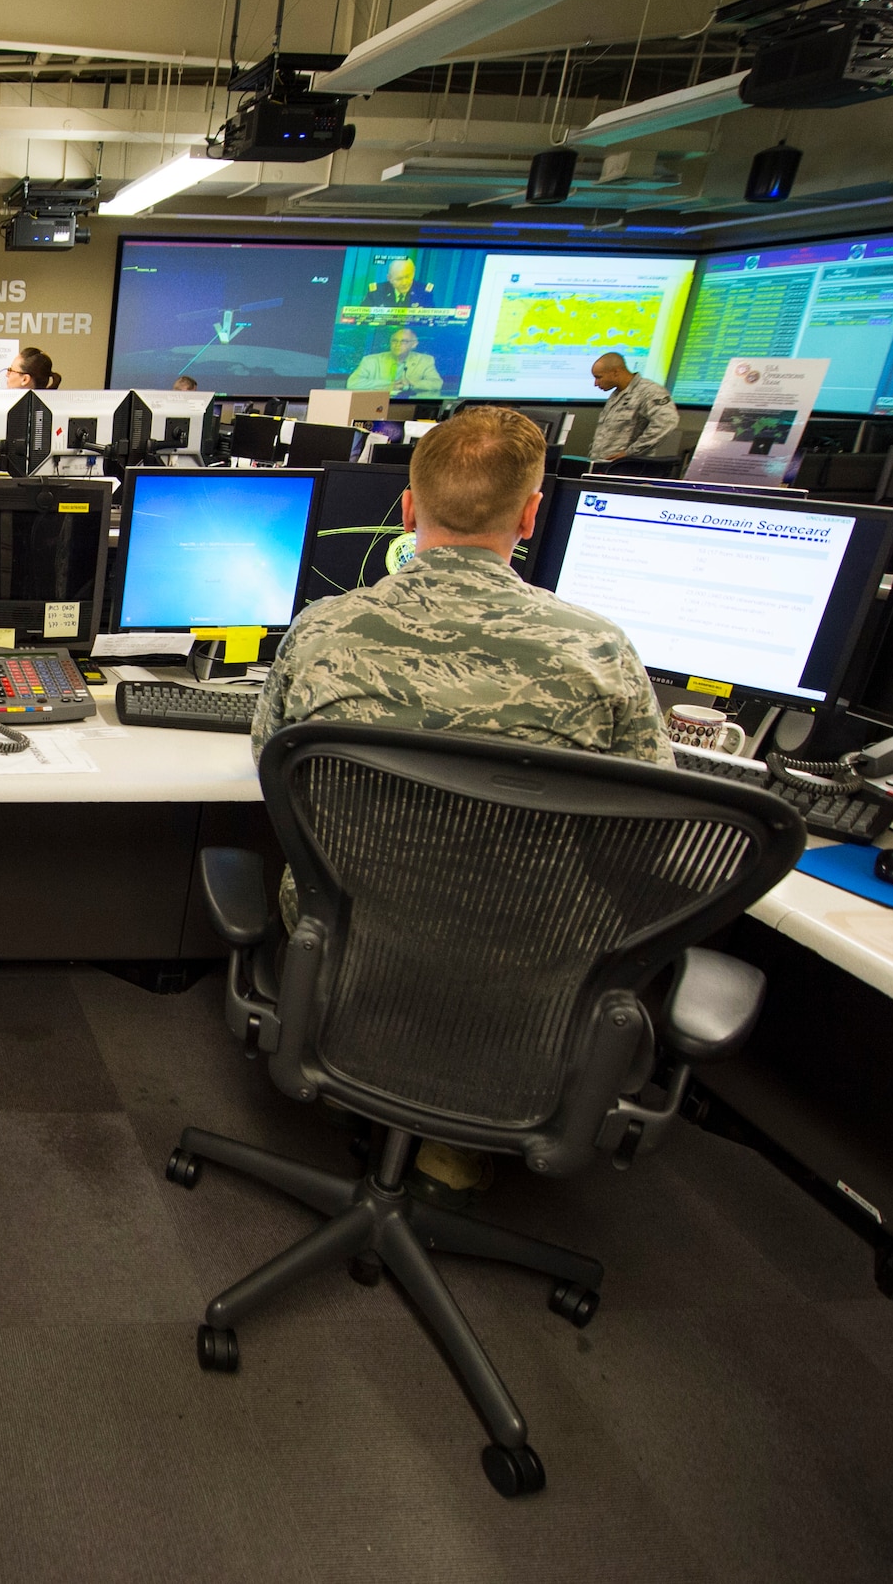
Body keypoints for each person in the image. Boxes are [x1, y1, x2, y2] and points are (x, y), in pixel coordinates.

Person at [252, 405, 672, 1204]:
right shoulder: (600, 652)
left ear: (408, 510)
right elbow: (651, 822)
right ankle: (455, 1129)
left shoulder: (322, 631)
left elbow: (274, 772)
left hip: (352, 945)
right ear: (532, 514)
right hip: (531, 969)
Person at [589, 352, 681, 465]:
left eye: (599, 377)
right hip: (605, 466)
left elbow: (667, 422)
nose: (596, 383)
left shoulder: (649, 391)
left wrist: (630, 453)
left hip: (629, 467)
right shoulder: (616, 395)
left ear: (616, 372)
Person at [346, 326, 444, 396]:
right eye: (394, 341)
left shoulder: (425, 360)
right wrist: (389, 384)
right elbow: (352, 383)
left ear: (414, 344)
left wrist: (410, 385)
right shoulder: (371, 360)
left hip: (408, 405)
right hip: (374, 403)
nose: (398, 344)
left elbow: (436, 384)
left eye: (404, 341)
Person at [362, 257, 433, 309]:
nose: (404, 283)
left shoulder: (424, 292)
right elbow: (361, 319)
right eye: (399, 279)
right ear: (389, 278)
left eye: (408, 276)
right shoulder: (376, 292)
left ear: (414, 272)